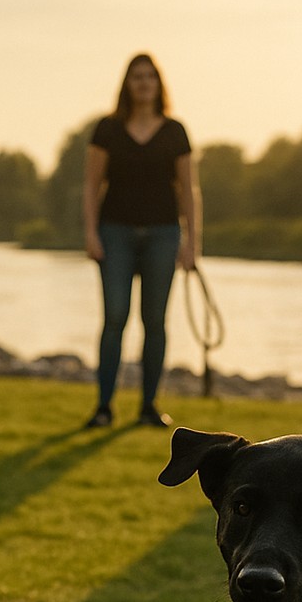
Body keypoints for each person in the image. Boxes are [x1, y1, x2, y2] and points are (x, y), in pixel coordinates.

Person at [82, 52, 201, 428]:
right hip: (114, 232)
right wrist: (90, 232)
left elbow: (188, 189)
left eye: (150, 76)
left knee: (155, 320)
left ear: (159, 83)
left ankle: (149, 406)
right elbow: (90, 185)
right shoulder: (107, 129)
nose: (144, 83)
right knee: (115, 317)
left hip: (163, 234)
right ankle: (104, 407)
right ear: (127, 84)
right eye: (137, 77)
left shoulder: (175, 131)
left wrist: (191, 242)